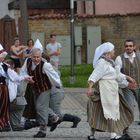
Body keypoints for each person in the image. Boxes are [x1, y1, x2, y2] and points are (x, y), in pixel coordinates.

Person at [86, 42, 136, 140]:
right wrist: (90, 87)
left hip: (111, 90)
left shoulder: (109, 62)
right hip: (105, 90)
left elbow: (116, 75)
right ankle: (113, 135)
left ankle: (91, 135)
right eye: (113, 50)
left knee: (99, 112)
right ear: (108, 52)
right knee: (110, 111)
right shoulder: (102, 63)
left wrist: (127, 77)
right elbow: (95, 75)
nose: (114, 51)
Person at [20, 47, 62, 138]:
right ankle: (55, 118)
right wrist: (27, 77)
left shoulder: (45, 65)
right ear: (31, 56)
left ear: (41, 56)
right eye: (34, 57)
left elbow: (54, 76)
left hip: (44, 88)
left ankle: (42, 130)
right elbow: (23, 72)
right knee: (42, 107)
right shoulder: (27, 61)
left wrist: (58, 85)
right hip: (35, 88)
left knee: (40, 108)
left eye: (38, 57)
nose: (36, 59)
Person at [0, 44, 32, 131]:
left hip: (2, 89)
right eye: (1, 56)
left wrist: (25, 77)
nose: (2, 58)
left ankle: (3, 124)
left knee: (3, 107)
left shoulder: (4, 67)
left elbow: (15, 77)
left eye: (3, 57)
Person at [115, 39, 140, 135]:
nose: (128, 48)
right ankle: (126, 130)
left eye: (130, 46)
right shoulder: (119, 58)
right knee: (129, 108)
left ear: (134, 47)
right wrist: (126, 83)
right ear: (124, 47)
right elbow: (117, 74)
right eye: (126, 46)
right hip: (127, 87)